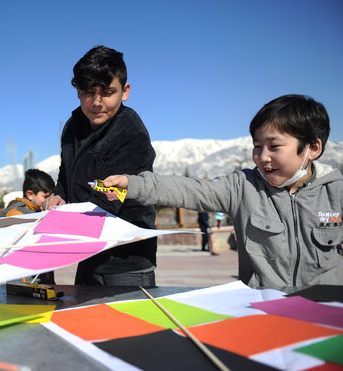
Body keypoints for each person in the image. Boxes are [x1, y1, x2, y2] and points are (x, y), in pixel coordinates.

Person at [103, 95, 343, 287]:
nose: (263, 157)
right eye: (257, 146)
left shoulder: (336, 191)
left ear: (313, 148)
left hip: (327, 314)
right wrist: (133, 183)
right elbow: (192, 190)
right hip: (265, 315)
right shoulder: (243, 186)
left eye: (274, 146)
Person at [45, 45, 158, 286]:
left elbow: (110, 199)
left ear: (124, 91)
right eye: (88, 92)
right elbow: (66, 174)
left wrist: (58, 223)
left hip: (126, 263)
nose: (97, 102)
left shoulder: (131, 133)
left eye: (107, 92)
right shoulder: (73, 126)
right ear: (77, 91)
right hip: (88, 256)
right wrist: (59, 195)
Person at [2, 169, 56, 284]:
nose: (50, 200)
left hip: (41, 278)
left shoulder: (36, 211)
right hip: (26, 282)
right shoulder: (17, 214)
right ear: (30, 195)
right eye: (45, 196)